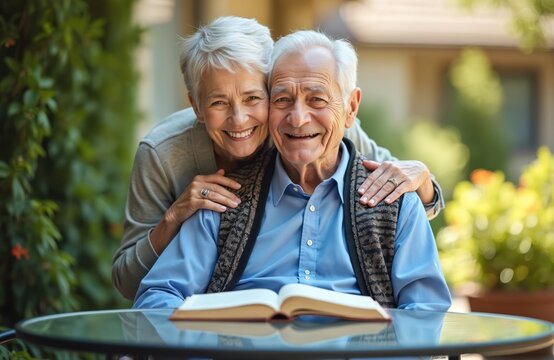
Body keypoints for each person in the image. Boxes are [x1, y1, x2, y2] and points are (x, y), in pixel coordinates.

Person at [114, 16, 444, 300]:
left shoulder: (330, 129)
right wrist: (174, 217)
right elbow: (138, 286)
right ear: (197, 106)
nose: (239, 119)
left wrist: (424, 181)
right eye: (218, 103)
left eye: (254, 98)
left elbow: (393, 189)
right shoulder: (166, 156)